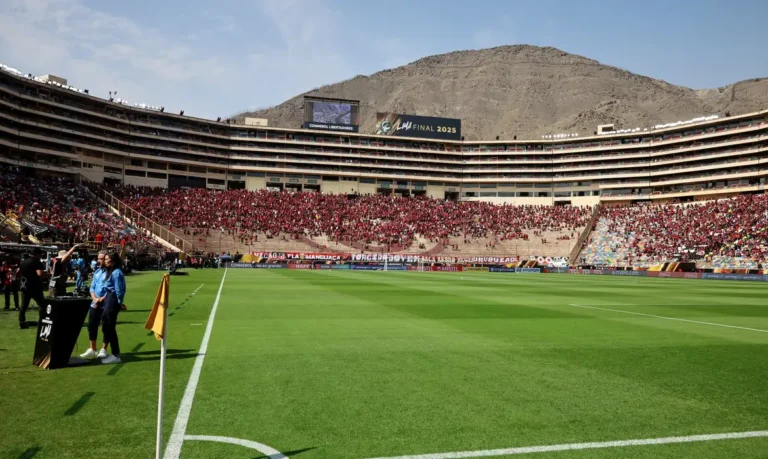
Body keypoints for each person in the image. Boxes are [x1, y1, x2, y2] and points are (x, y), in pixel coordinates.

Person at [80, 251, 108, 360]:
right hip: (94, 303)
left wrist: (100, 299)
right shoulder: (97, 272)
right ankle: (92, 349)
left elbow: (111, 289)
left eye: (101, 259)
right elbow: (92, 287)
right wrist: (95, 299)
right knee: (91, 326)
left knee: (106, 327)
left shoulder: (110, 272)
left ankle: (103, 349)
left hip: (105, 304)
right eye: (98, 258)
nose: (99, 261)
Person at [100, 252, 126, 364]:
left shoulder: (116, 273)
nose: (105, 261)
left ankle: (116, 354)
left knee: (110, 327)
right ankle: (111, 352)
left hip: (113, 298)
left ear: (113, 261)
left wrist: (119, 302)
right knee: (106, 325)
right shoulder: (110, 271)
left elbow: (119, 289)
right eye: (105, 259)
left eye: (107, 260)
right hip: (108, 298)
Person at [18, 248, 46, 329]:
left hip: (25, 286)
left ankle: (22, 322)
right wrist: (48, 274)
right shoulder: (36, 262)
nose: (41, 256)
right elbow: (39, 273)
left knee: (24, 306)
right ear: (37, 254)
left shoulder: (24, 262)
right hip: (35, 287)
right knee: (42, 304)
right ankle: (42, 321)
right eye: (40, 254)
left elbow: (19, 272)